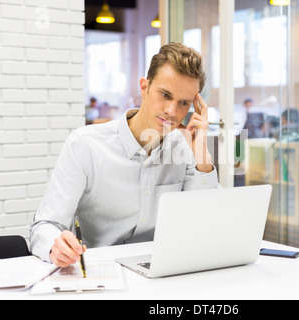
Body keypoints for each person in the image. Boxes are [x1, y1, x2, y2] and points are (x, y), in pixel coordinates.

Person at [30, 42, 219, 267]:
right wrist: (55, 246)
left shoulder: (183, 147)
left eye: (183, 103)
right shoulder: (85, 145)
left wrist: (202, 156)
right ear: (144, 88)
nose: (171, 111)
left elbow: (206, 222)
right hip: (101, 273)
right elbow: (44, 225)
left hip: (164, 271)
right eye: (165, 94)